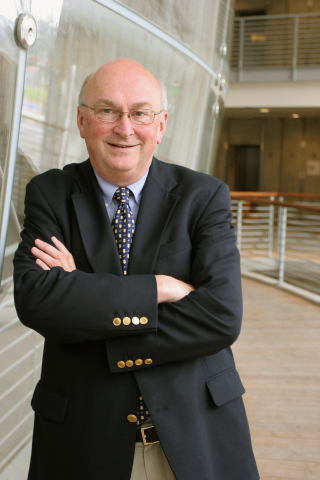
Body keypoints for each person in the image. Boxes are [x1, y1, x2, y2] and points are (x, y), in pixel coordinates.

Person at [14, 58, 259, 480]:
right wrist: (160, 288)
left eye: (140, 113)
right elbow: (38, 301)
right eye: (107, 110)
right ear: (81, 120)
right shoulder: (50, 194)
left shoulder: (204, 196)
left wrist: (85, 293)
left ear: (160, 125)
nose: (124, 128)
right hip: (84, 443)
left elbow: (221, 316)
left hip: (196, 439)